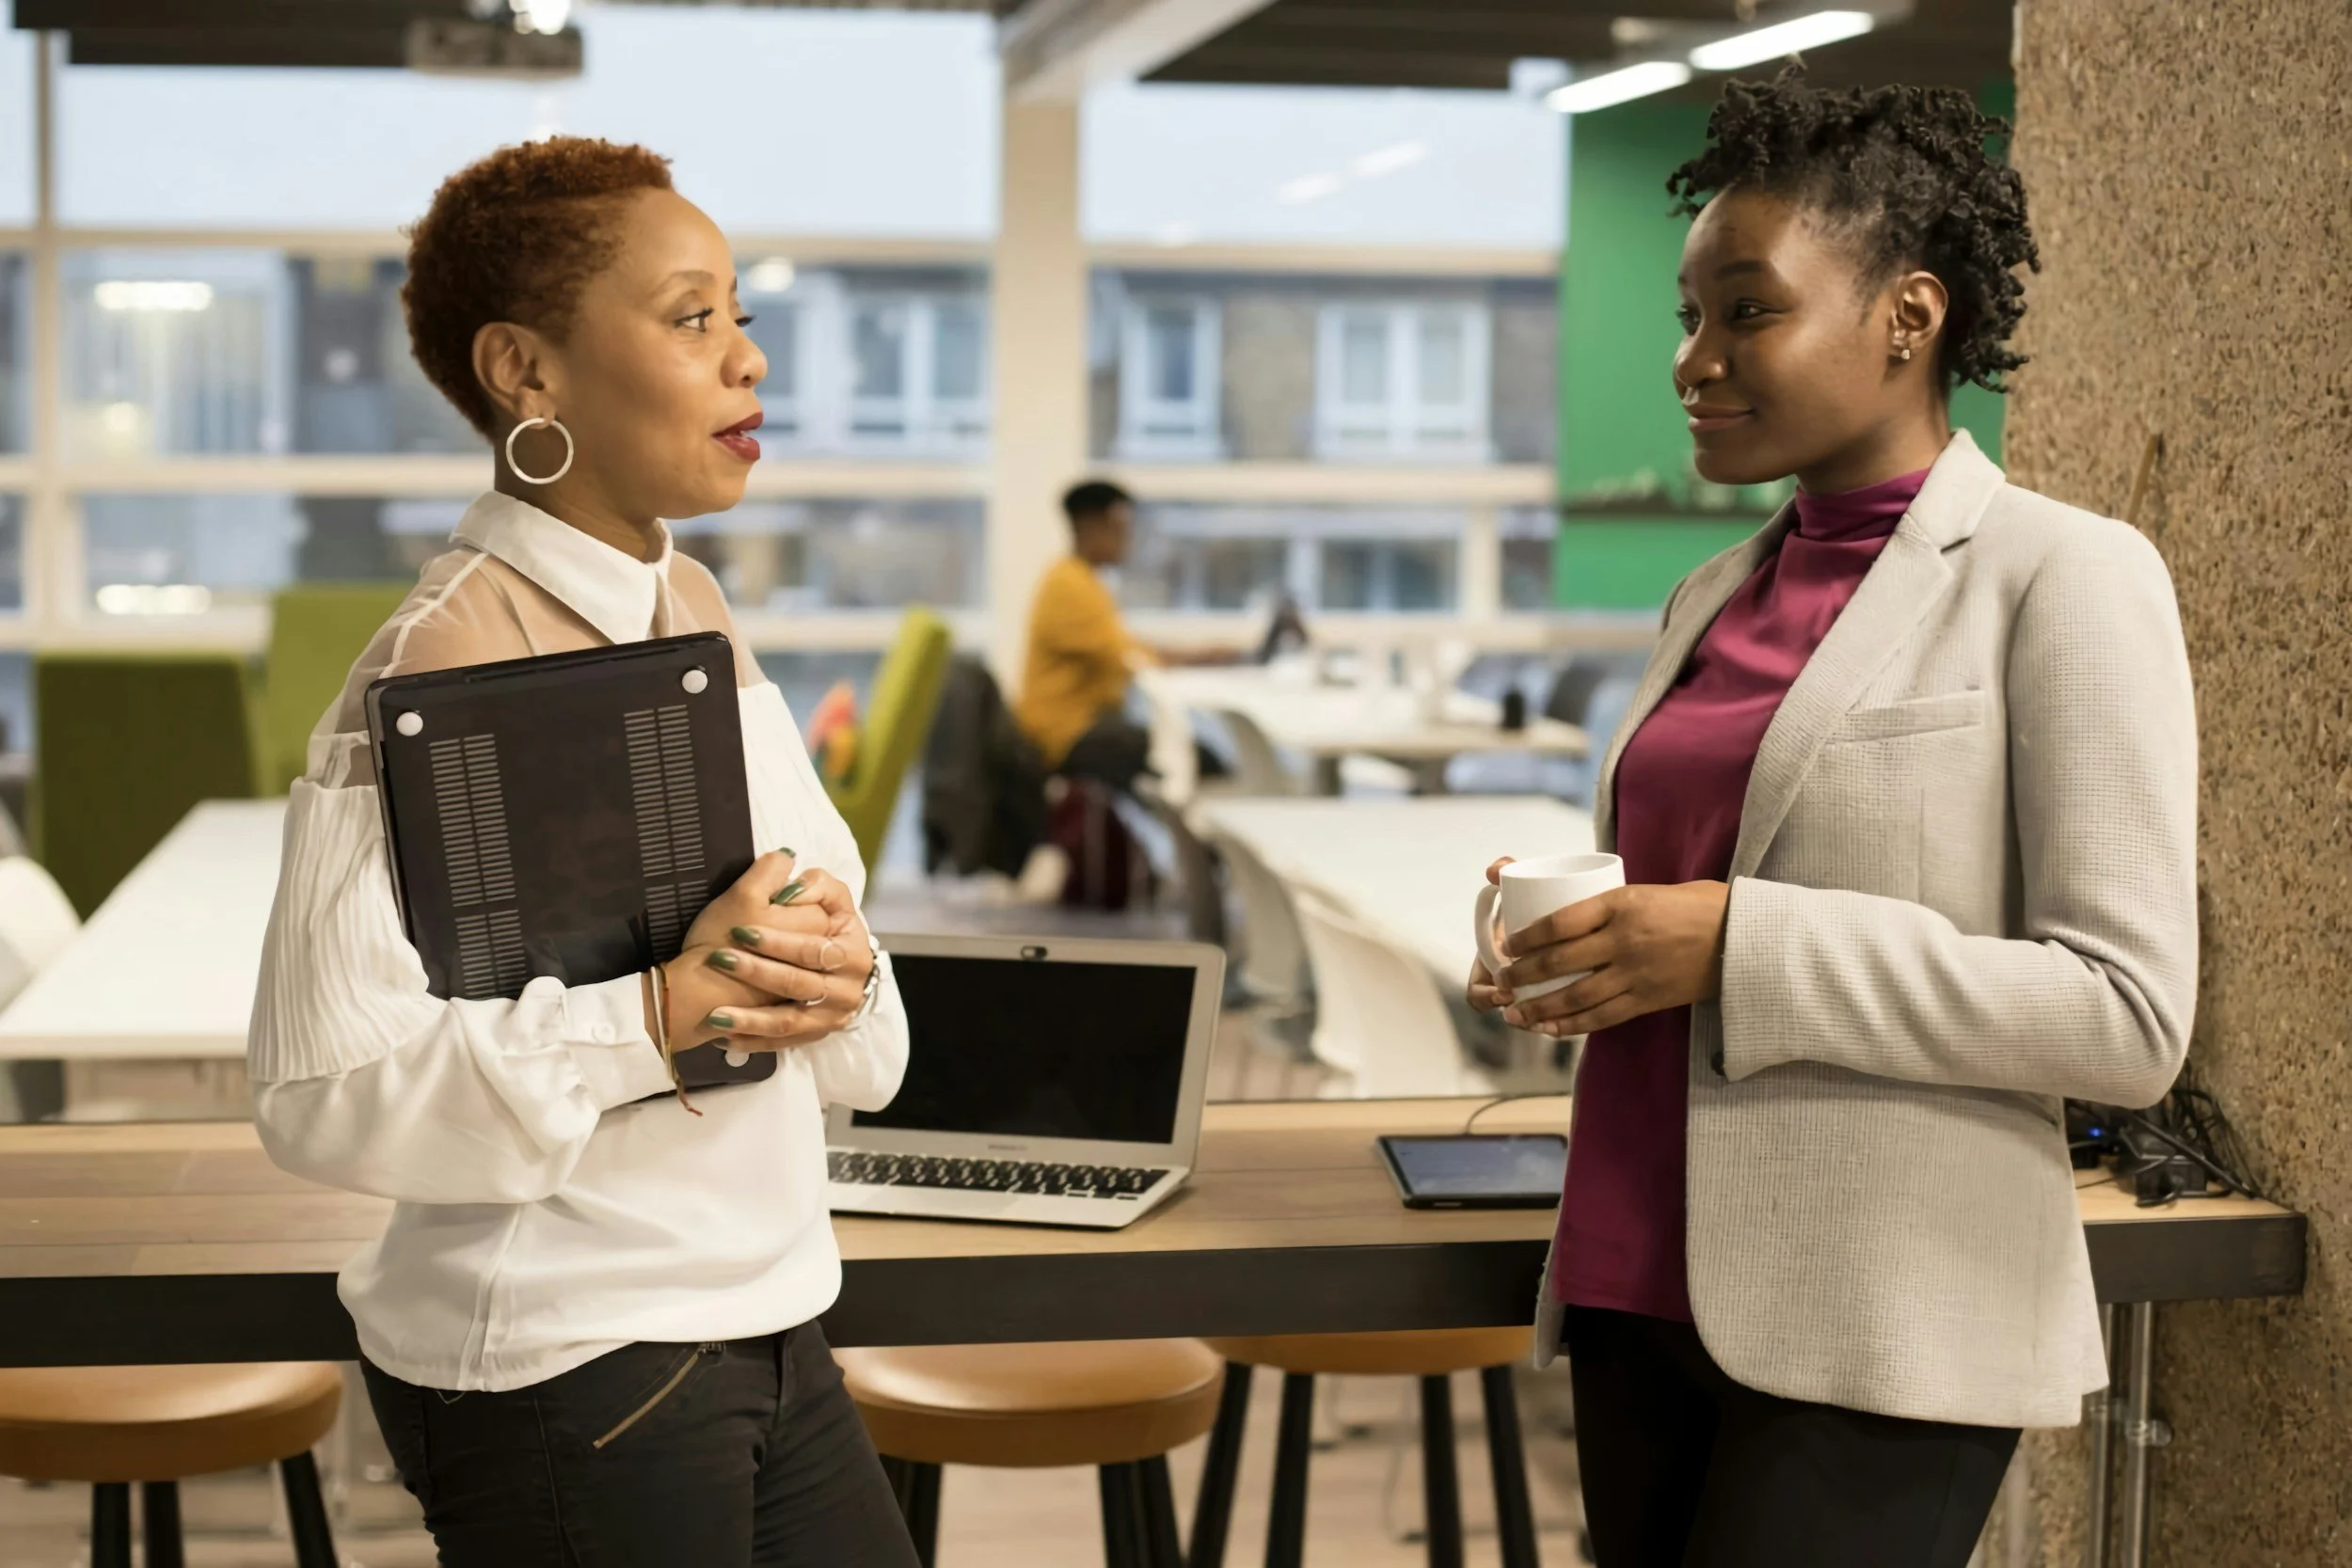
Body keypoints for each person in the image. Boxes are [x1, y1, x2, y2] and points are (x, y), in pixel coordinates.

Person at [1469, 72, 2196, 1566]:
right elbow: (1689, 907)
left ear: (1908, 318)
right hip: (1630, 1272)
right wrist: (1583, 943)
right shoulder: (1711, 591)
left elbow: (2125, 1012)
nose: (1693, 358)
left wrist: (1738, 939)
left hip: (1881, 1310)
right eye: (1691, 313)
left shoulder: (2064, 577)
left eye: (1748, 312)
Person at [246, 137, 919, 1568]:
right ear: (526, 373)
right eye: (692, 317)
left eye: (741, 312)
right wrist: (666, 1014)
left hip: (773, 1314)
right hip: (572, 1360)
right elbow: (322, 1093)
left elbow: (850, 1002)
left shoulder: (690, 605)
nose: (746, 359)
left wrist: (838, 976)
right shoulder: (434, 665)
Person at [1014, 479, 1157, 790]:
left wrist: (1209, 654)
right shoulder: (1069, 586)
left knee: (1169, 753)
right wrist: (1207, 655)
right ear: (1092, 526)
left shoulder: (1083, 581)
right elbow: (1129, 658)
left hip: (1080, 729)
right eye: (1119, 527)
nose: (1127, 538)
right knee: (1187, 756)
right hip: (1064, 737)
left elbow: (1126, 648)